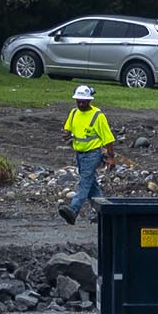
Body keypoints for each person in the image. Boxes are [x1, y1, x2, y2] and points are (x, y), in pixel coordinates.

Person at [60, 85, 114, 224]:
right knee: (92, 185)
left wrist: (110, 157)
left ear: (90, 101)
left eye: (84, 101)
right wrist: (66, 134)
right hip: (80, 153)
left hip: (93, 154)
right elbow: (67, 129)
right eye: (79, 101)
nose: (81, 104)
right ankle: (105, 212)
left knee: (84, 182)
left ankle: (73, 210)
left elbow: (108, 138)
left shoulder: (98, 116)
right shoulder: (73, 113)